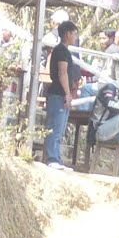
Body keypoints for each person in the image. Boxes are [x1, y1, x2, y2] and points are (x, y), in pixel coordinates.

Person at [43, 20, 80, 169]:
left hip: (62, 94)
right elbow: (62, 72)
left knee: (60, 129)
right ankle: (51, 158)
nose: (76, 37)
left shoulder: (65, 51)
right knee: (55, 127)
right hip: (58, 93)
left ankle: (57, 158)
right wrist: (67, 93)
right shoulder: (61, 51)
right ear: (67, 34)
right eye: (74, 34)